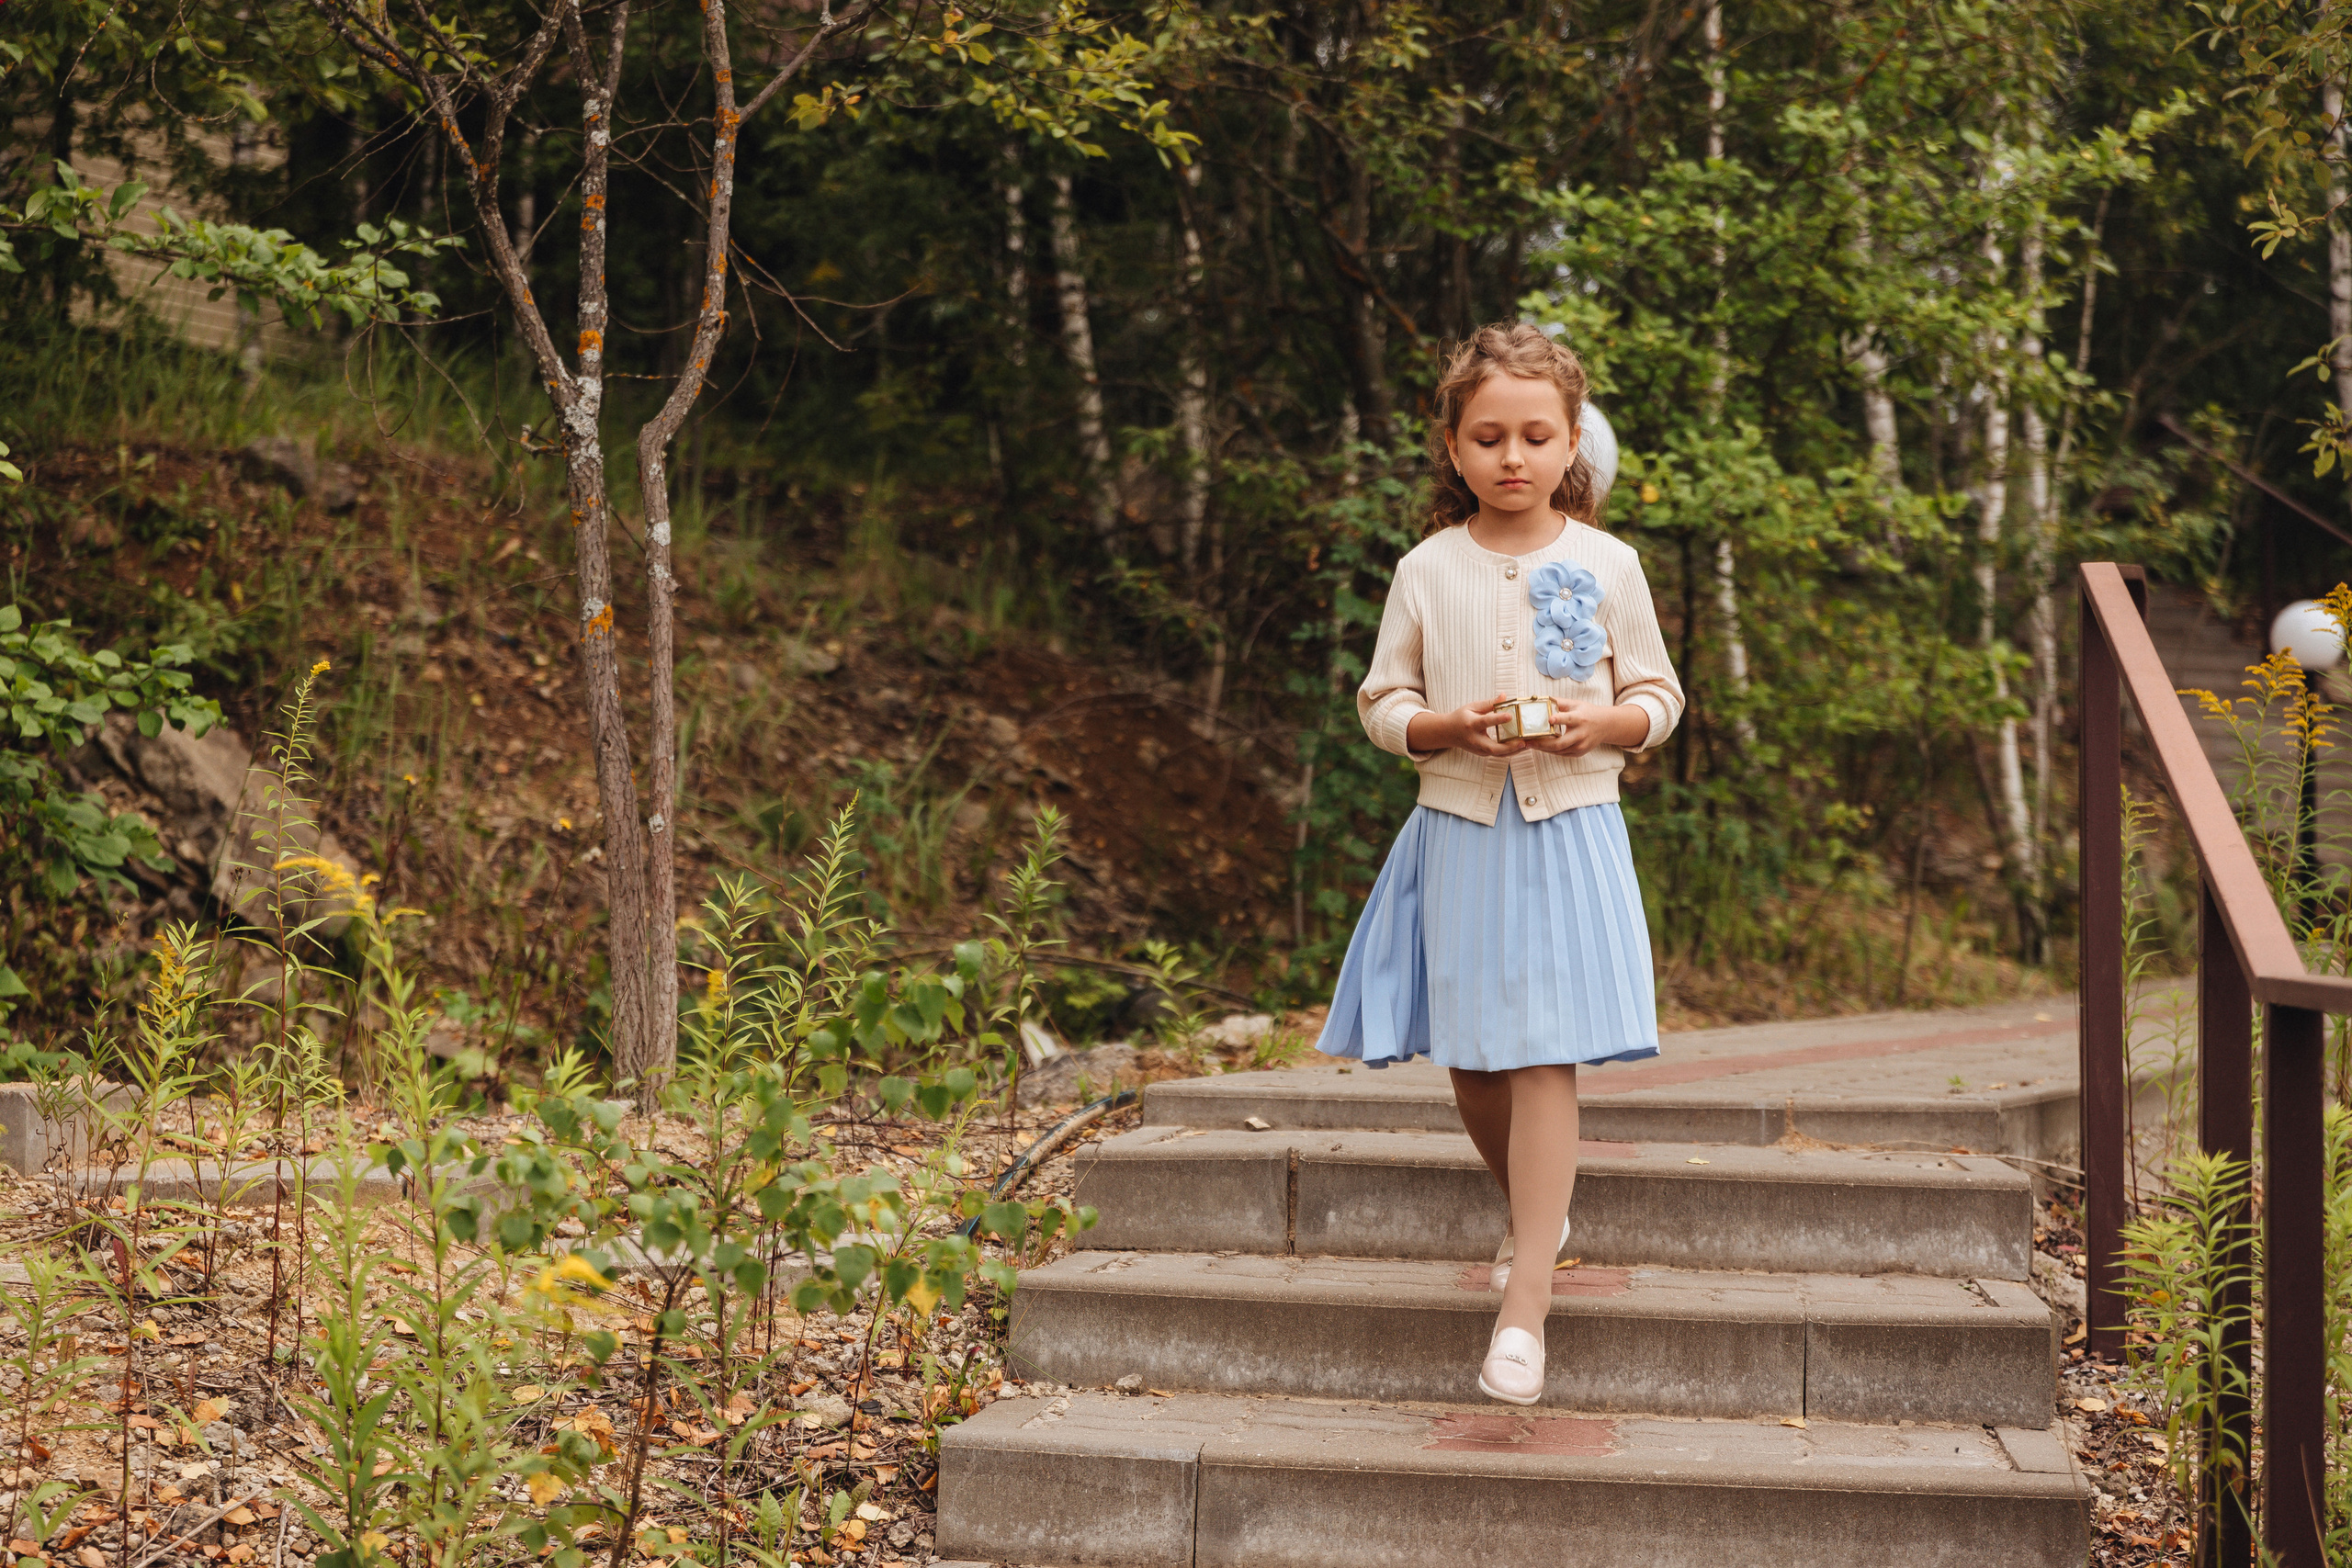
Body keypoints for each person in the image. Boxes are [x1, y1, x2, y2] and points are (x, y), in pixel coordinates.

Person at [1315, 322, 1684, 1405]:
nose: (1512, 457)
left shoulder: (1609, 565)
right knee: (1474, 1064)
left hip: (1571, 832)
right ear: (1454, 446)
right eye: (1489, 437)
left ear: (1572, 442)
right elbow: (1382, 700)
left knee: (1542, 1057)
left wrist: (1604, 725)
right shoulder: (1426, 570)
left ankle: (1526, 1300)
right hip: (1459, 833)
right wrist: (1439, 728)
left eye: (1536, 435)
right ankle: (1541, 1210)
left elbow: (1659, 696)